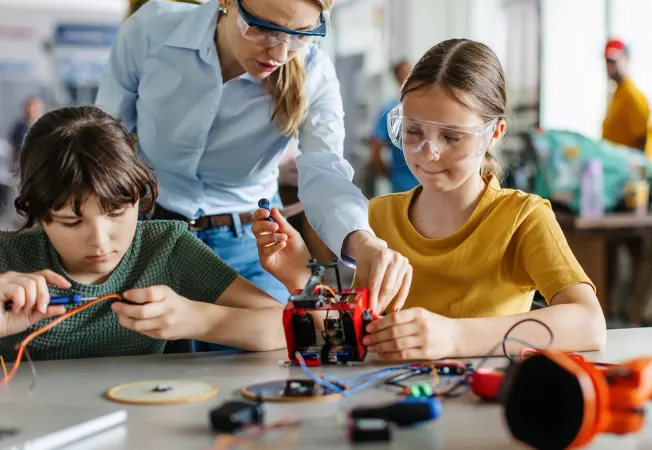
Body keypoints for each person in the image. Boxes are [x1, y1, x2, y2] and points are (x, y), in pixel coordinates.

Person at [253, 39, 607, 360]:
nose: (429, 153)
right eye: (413, 132)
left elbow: (589, 324)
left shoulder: (522, 218)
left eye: (452, 137)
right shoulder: (376, 217)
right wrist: (302, 282)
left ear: (494, 134)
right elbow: (358, 337)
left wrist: (454, 337)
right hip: (394, 404)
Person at [95, 0, 411, 323]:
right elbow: (106, 143)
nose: (278, 54)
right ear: (226, 2)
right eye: (262, 29)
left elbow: (324, 170)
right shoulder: (150, 32)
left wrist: (363, 240)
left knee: (266, 357)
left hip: (253, 246)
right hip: (149, 236)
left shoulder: (314, 70)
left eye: (301, 35)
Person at [0, 106, 287, 361]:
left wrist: (198, 319)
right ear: (35, 211)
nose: (100, 241)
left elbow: (288, 326)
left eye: (115, 213)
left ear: (139, 194)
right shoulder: (7, 259)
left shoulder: (165, 248)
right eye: (72, 222)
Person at [369, 60, 419, 193]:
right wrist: (385, 173)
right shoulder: (389, 111)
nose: (409, 77)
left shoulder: (428, 106)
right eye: (405, 74)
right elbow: (375, 146)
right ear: (397, 78)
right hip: (402, 184)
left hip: (427, 182)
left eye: (412, 72)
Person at [601, 39, 651, 151]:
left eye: (614, 61)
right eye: (607, 61)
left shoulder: (633, 97)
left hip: (627, 164)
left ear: (626, 59)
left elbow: (642, 140)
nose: (610, 67)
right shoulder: (617, 94)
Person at [9, 96, 44, 167]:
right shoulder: (18, 128)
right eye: (28, 107)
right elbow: (14, 149)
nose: (30, 110)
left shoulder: (45, 127)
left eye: (34, 108)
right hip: (22, 165)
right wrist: (13, 166)